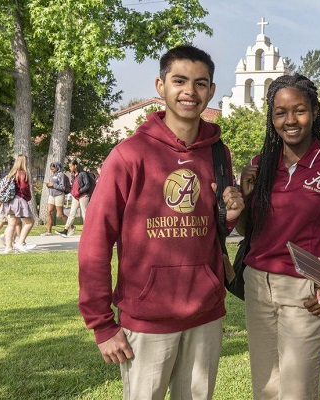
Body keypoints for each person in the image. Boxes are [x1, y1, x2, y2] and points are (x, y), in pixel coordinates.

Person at [78, 45, 244, 400]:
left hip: (205, 315)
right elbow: (95, 241)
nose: (190, 92)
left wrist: (228, 216)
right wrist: (101, 325)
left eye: (201, 84)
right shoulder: (129, 155)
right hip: (147, 319)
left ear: (211, 91)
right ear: (160, 85)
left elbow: (208, 228)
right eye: (179, 81)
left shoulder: (219, 151)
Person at [238, 74, 320, 400]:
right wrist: (246, 195)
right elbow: (249, 231)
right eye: (280, 112)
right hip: (258, 285)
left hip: (305, 287)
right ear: (271, 117)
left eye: (299, 110)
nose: (290, 120)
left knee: (297, 390)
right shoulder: (260, 165)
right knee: (266, 387)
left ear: (315, 112)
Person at [0, 154, 37, 253]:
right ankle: (20, 242)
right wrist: (28, 196)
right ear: (24, 162)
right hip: (19, 200)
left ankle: (8, 247)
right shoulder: (22, 173)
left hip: (9, 201)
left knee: (11, 224)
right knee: (30, 222)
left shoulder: (11, 173)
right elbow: (24, 187)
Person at [56, 159, 93, 237]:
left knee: (84, 213)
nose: (70, 168)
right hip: (75, 196)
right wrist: (73, 192)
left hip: (83, 196)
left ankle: (88, 231)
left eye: (71, 166)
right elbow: (73, 185)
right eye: (69, 167)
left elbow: (87, 185)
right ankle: (65, 230)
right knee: (72, 213)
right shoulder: (73, 175)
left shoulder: (83, 174)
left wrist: (79, 191)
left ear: (75, 166)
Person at [42, 162, 68, 236]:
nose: (52, 170)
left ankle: (71, 226)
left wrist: (53, 184)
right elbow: (52, 185)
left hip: (59, 195)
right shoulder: (51, 175)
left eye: (53, 169)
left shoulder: (61, 175)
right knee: (49, 212)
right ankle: (49, 232)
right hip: (51, 195)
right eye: (50, 169)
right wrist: (48, 185)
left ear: (57, 167)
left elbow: (62, 187)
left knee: (60, 214)